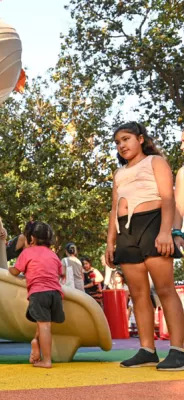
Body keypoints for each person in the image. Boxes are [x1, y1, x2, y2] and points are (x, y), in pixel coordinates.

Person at [106, 121, 184, 370]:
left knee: (165, 289)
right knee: (138, 294)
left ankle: (179, 350)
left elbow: (168, 197)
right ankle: (147, 349)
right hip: (125, 231)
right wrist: (110, 242)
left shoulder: (155, 162)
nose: (121, 145)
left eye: (126, 139)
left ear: (140, 139)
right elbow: (113, 209)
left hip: (152, 224)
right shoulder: (119, 174)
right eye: (118, 142)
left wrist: (166, 233)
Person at [9, 221, 64, 368]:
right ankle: (35, 340)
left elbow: (15, 271)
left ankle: (46, 360)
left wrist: (9, 269)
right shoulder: (53, 255)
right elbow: (61, 273)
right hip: (55, 294)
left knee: (44, 325)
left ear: (31, 239)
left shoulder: (27, 253)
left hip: (39, 293)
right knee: (43, 322)